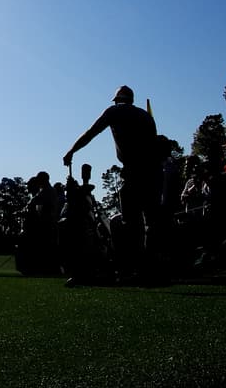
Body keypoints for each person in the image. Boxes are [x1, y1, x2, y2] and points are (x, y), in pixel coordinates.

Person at [64, 85, 163, 280]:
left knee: (131, 221)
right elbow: (155, 143)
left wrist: (72, 151)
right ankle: (153, 266)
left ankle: (132, 268)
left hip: (134, 171)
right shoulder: (145, 116)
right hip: (152, 172)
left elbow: (90, 133)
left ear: (117, 100)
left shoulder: (114, 112)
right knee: (151, 221)